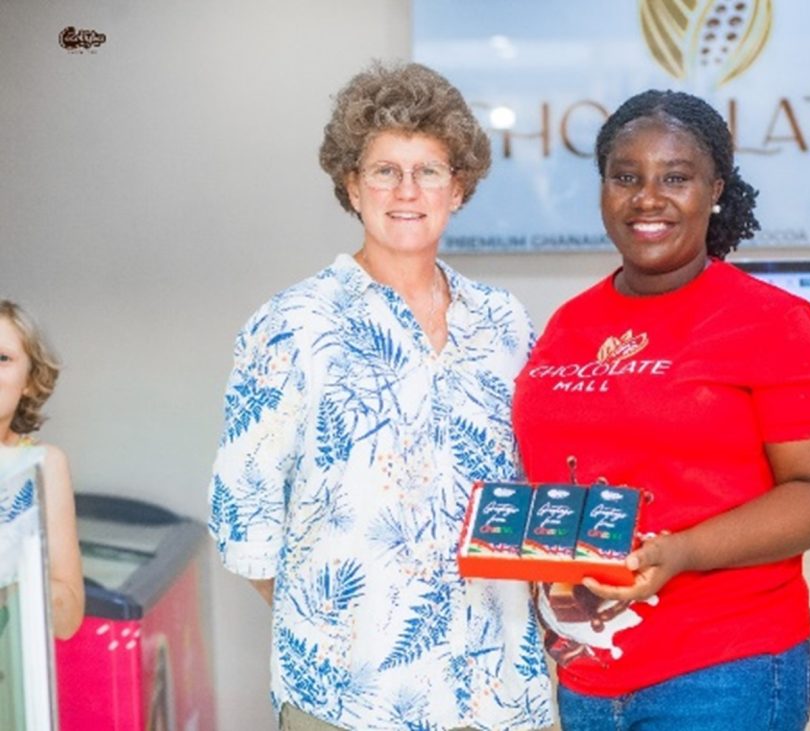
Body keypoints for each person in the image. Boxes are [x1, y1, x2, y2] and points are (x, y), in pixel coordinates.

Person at [207, 61, 552, 731]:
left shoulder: (504, 323)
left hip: (498, 697)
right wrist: (337, 631)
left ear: (458, 188)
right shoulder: (293, 325)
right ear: (351, 185)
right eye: (384, 170)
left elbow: (532, 484)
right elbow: (244, 516)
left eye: (429, 170)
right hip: (350, 701)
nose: (407, 190)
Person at [511, 90, 810, 730]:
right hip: (585, 672)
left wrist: (683, 552)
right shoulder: (568, 324)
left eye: (675, 178)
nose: (647, 198)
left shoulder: (771, 320)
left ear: (715, 190)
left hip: (722, 670)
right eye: (626, 177)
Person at [0, 300, 85, 641]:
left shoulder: (44, 465)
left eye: (2, 358)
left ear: (30, 381)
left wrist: (16, 576)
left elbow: (67, 619)